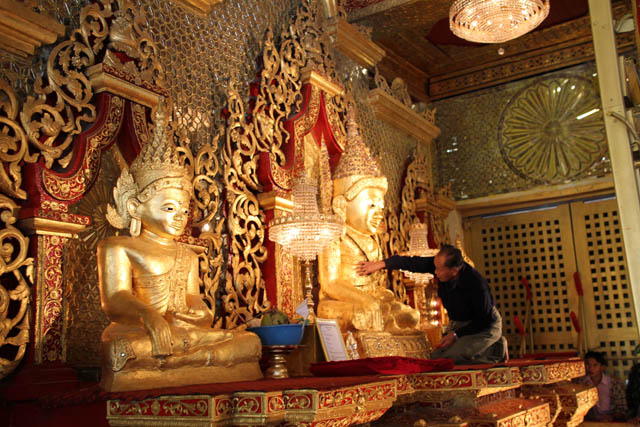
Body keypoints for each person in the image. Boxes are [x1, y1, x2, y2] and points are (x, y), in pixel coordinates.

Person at [97, 107, 262, 391]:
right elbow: (114, 299)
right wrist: (149, 316)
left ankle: (187, 359)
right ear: (135, 207)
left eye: (184, 210)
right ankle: (196, 359)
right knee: (123, 351)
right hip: (140, 332)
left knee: (250, 342)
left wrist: (199, 313)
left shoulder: (187, 254)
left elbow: (192, 298)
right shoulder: (118, 246)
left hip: (184, 335)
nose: (180, 217)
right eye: (169, 208)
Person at [355, 244, 505, 364]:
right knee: (436, 358)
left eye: (439, 270)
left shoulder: (477, 285)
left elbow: (485, 320)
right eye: (435, 267)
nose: (435, 272)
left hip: (484, 326)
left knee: (451, 359)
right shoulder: (439, 266)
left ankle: (495, 349)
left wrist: (456, 335)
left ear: (454, 270)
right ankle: (484, 347)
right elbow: (409, 262)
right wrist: (380, 264)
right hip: (459, 324)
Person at [577, 351, 627, 421]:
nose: (591, 368)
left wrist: (611, 417)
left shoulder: (613, 384)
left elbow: (622, 408)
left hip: (610, 423)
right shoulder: (580, 383)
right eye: (588, 364)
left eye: (595, 365)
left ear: (602, 367)